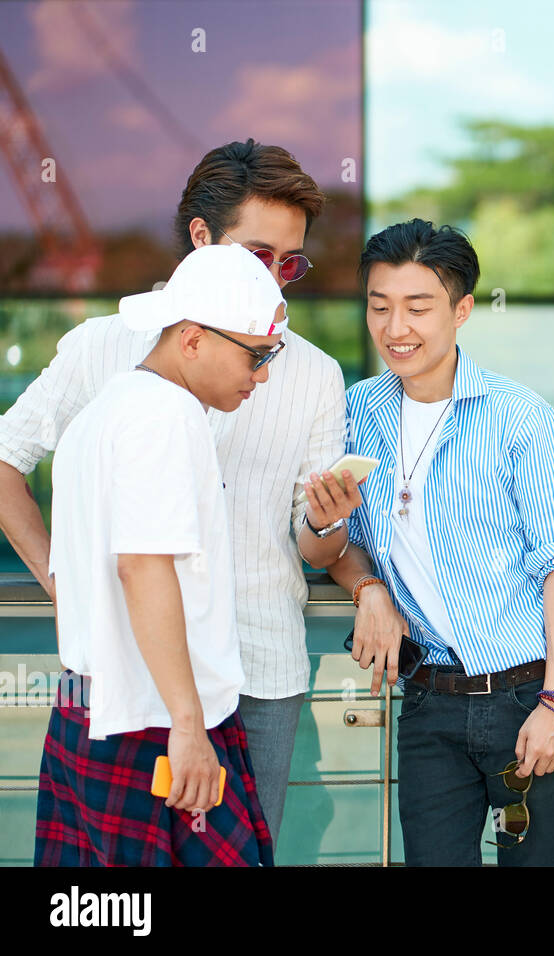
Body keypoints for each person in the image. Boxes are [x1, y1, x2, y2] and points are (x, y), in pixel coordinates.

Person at [0, 140, 358, 851]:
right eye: (261, 258)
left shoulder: (313, 374)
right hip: (131, 681)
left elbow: (314, 546)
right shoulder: (107, 354)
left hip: (254, 671)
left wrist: (327, 524)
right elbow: (131, 553)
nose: (279, 282)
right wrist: (63, 581)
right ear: (202, 239)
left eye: (293, 263)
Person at [326, 219, 554, 866]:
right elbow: (339, 537)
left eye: (418, 308)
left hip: (528, 695)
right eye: (379, 306)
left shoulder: (519, 417)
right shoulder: (354, 411)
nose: (396, 328)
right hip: (428, 702)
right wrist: (366, 591)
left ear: (462, 310)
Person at [35, 244, 285, 865]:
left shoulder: (103, 413)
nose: (263, 374)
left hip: (93, 706)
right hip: (151, 718)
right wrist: (188, 724)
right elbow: (141, 566)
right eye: (256, 354)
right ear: (193, 339)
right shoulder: (165, 417)